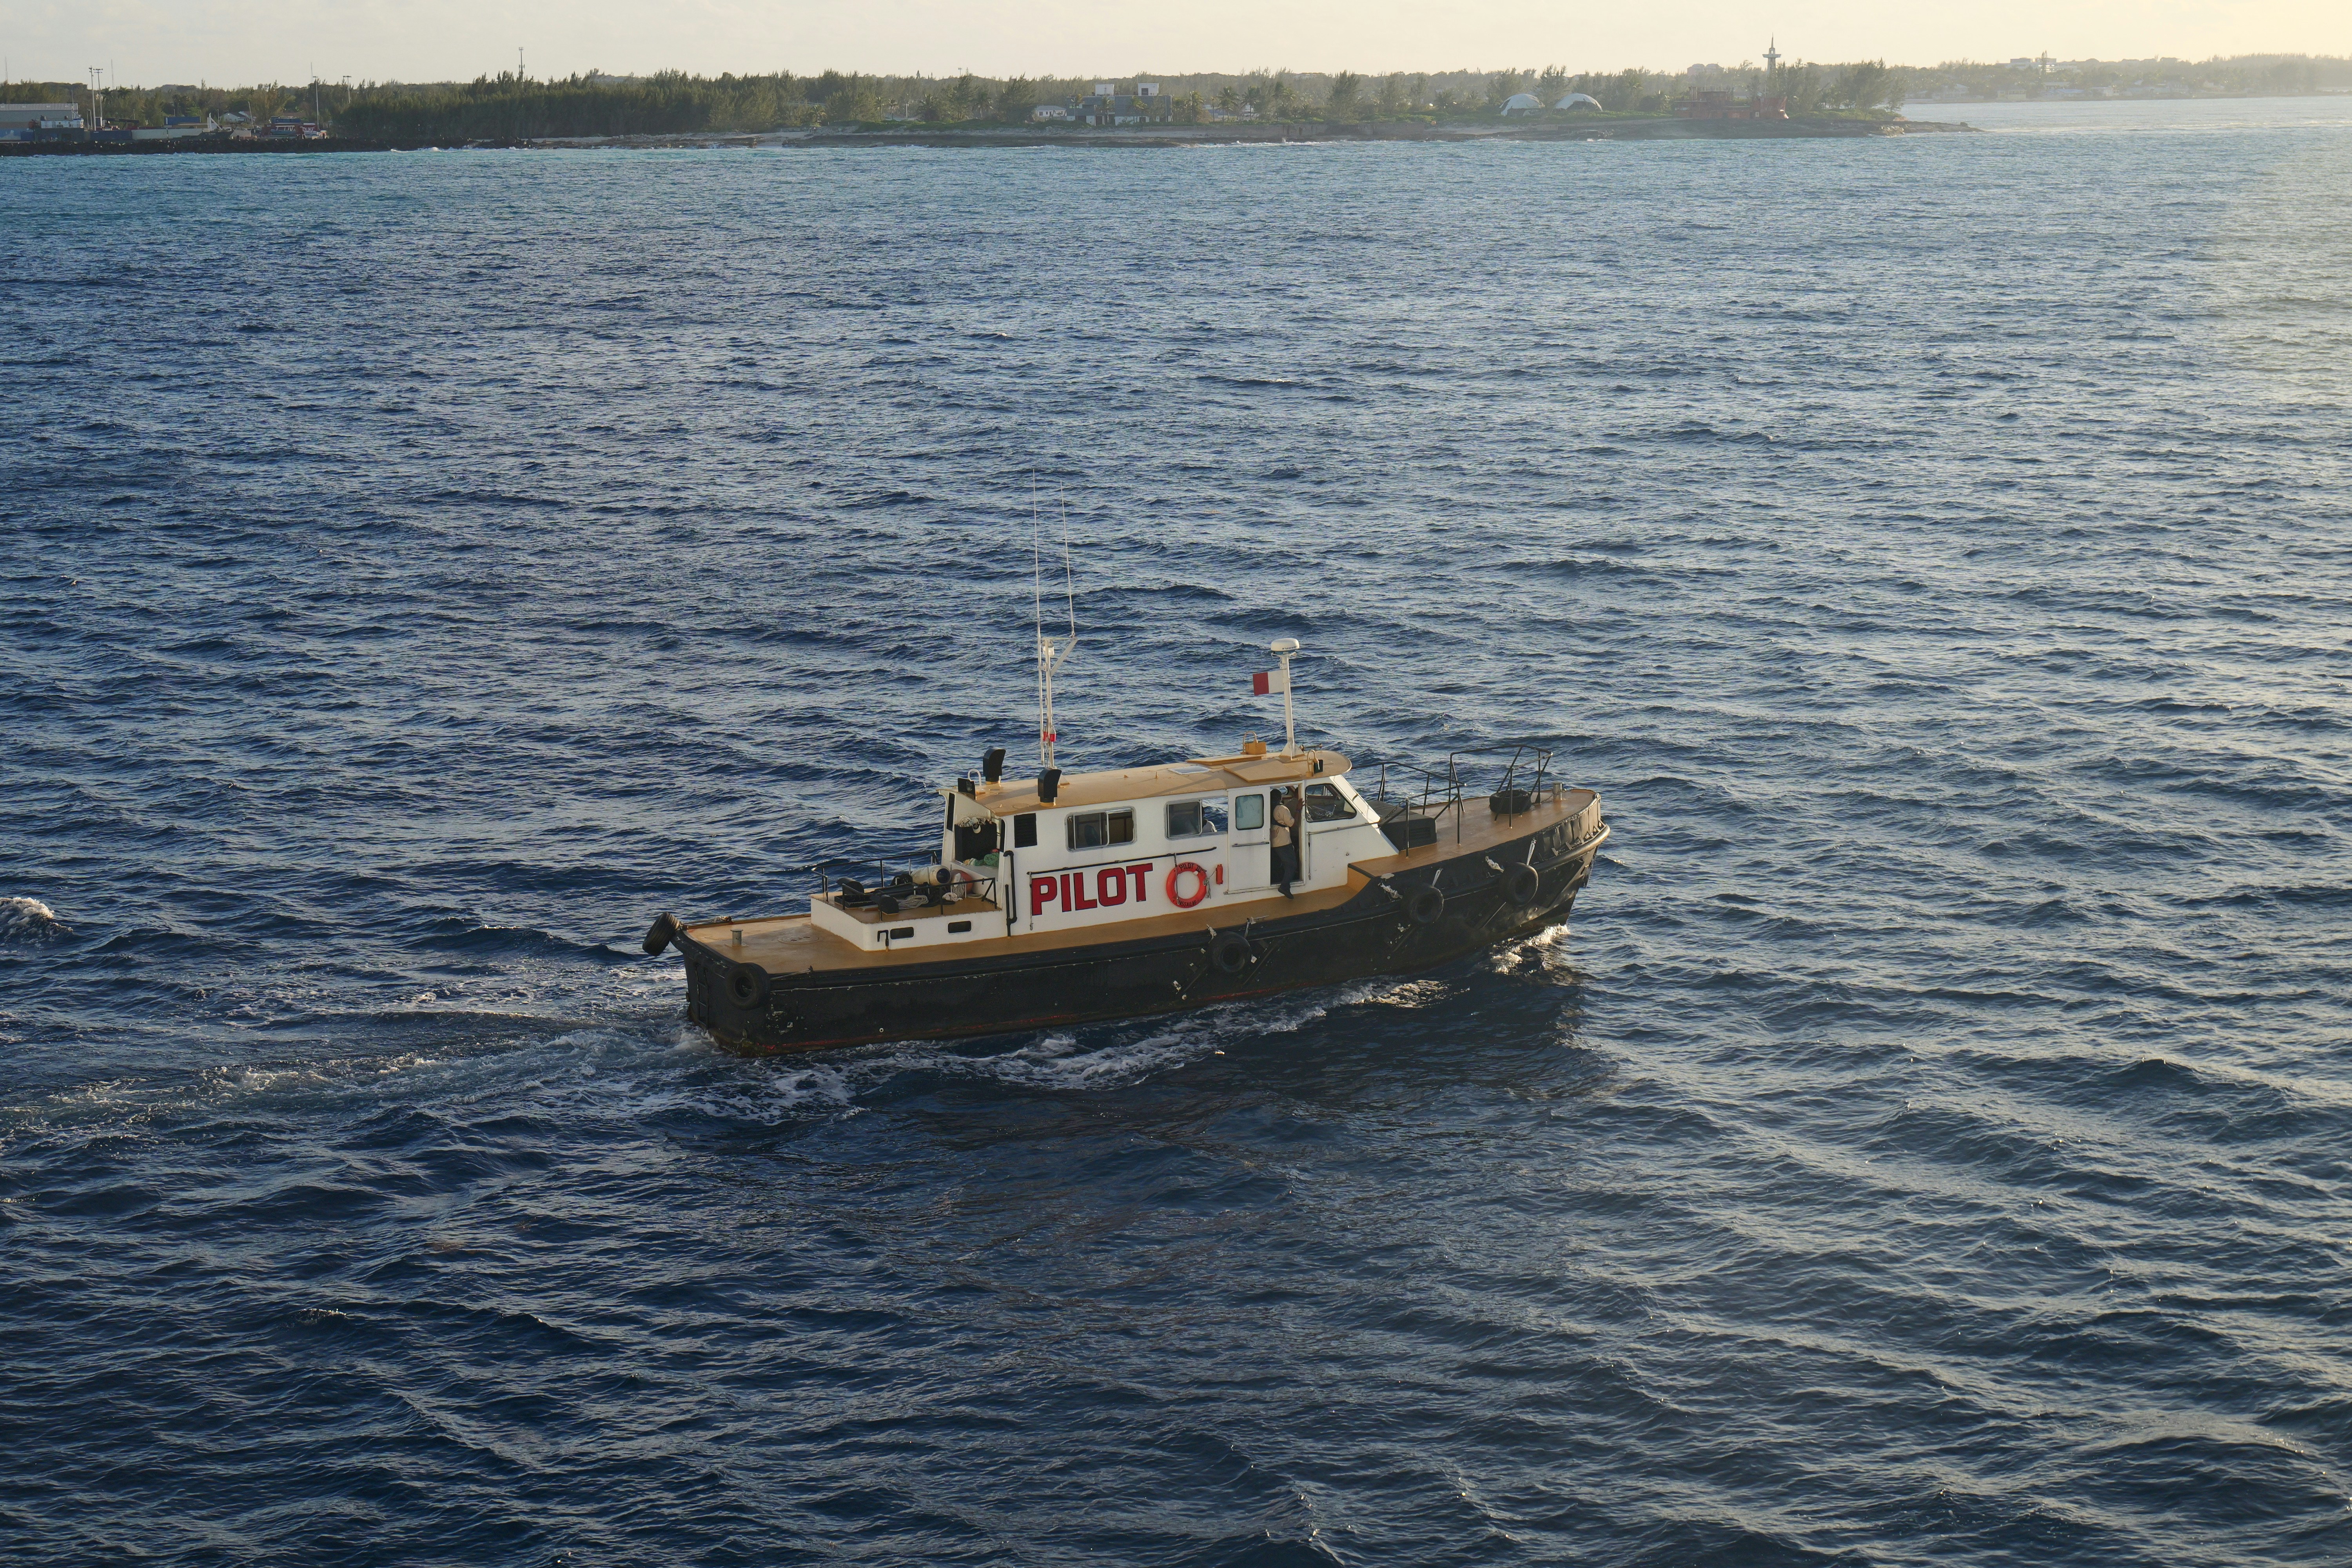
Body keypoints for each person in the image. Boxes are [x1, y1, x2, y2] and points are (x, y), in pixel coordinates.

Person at [1271, 788, 1298, 896]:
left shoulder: (1270, 808)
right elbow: (1292, 824)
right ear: (1280, 798)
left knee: (1278, 865)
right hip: (1283, 842)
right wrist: (1299, 810)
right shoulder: (1282, 809)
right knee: (1292, 865)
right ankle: (1285, 886)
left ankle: (1279, 881)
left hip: (1274, 841)